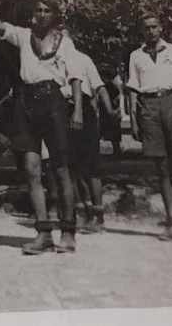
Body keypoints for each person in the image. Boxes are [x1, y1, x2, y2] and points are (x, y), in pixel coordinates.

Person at [0, 0, 83, 254]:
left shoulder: (64, 42)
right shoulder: (23, 36)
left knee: (61, 169)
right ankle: (43, 232)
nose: (41, 14)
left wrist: (77, 110)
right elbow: (0, 26)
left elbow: (75, 77)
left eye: (46, 10)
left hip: (53, 101)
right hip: (26, 102)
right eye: (38, 10)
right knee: (31, 169)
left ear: (54, 15)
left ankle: (68, 230)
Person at [128, 14, 172, 243]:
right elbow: (132, 89)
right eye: (146, 28)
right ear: (142, 30)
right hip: (148, 107)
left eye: (154, 27)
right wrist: (133, 119)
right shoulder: (135, 55)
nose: (150, 31)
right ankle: (171, 222)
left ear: (161, 29)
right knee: (161, 167)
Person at [65, 50, 119, 233]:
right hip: (60, 110)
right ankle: (81, 211)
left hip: (83, 112)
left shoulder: (82, 59)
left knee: (91, 166)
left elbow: (100, 87)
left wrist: (110, 111)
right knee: (71, 166)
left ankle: (98, 214)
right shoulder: (49, 60)